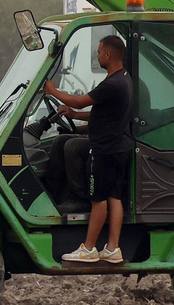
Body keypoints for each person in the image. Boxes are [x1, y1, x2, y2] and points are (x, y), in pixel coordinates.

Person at [45, 34, 133, 264]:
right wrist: (75, 116)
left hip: (103, 150)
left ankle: (89, 248)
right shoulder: (124, 79)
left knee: (98, 200)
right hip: (118, 148)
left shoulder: (110, 84)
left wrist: (52, 90)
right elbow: (103, 113)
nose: (97, 55)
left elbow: (79, 101)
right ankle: (113, 248)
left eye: (99, 51)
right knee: (115, 198)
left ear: (107, 54)